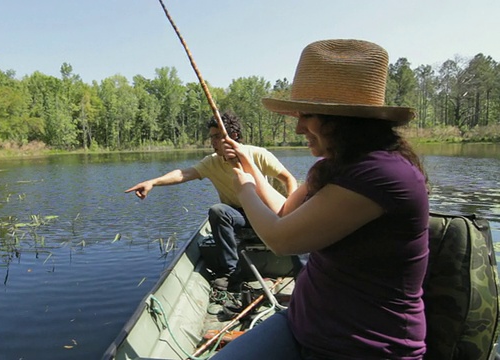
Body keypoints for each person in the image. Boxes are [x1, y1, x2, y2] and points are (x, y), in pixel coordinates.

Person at [213, 39, 430, 359]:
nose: (298, 127)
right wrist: (249, 165)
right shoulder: (333, 167)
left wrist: (245, 191)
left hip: (363, 346)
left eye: (307, 115)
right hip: (303, 325)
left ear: (343, 121)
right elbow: (284, 212)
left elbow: (280, 239)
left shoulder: (385, 175)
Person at [124, 111, 298, 291]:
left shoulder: (257, 154)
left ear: (234, 136)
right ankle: (229, 272)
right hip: (238, 216)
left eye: (217, 137)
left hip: (264, 214)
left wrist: (290, 207)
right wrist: (152, 182)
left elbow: (288, 179)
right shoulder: (211, 162)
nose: (213, 142)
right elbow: (183, 174)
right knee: (218, 211)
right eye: (211, 138)